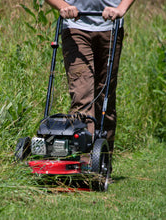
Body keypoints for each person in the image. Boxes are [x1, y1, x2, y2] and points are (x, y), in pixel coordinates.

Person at [45, 0, 135, 159]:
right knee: (82, 96)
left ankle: (102, 163)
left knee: (105, 98)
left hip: (111, 27)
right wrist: (62, 5)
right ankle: (84, 166)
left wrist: (121, 9)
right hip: (75, 27)